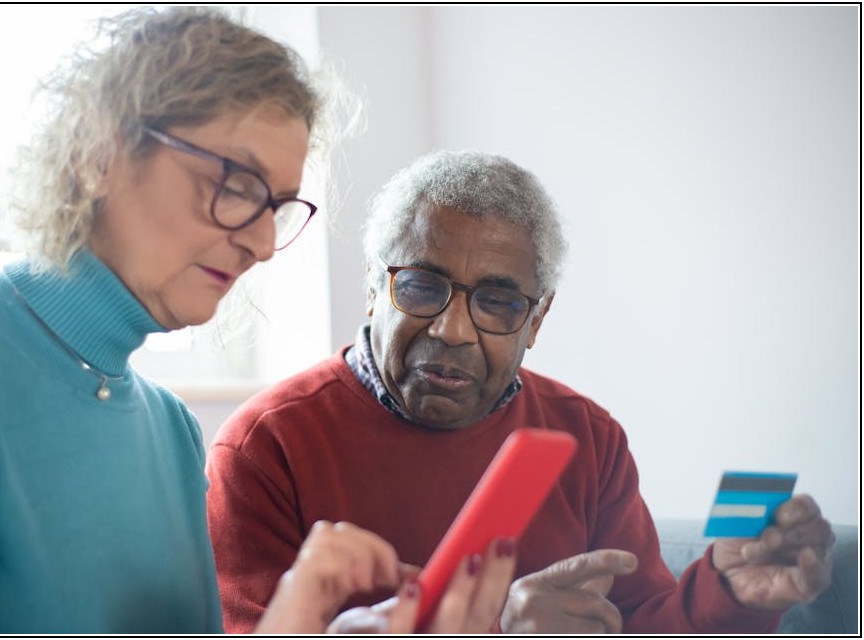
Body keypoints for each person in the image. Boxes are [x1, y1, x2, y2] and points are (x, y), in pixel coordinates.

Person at [0, 9, 517, 634]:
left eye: (279, 207)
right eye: (235, 183)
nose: (261, 244)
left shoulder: (170, 429)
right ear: (97, 152)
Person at [205, 149, 836, 633]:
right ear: (374, 289)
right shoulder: (266, 446)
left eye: (498, 302)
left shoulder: (587, 438)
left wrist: (727, 590)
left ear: (536, 322)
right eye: (422, 286)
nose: (452, 331)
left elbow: (643, 623)